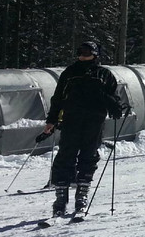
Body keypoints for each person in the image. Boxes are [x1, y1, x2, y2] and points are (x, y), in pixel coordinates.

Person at [41, 41, 123, 217]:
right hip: (71, 120)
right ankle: (61, 199)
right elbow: (58, 98)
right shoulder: (70, 73)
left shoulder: (104, 74)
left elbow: (114, 97)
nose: (83, 55)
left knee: (88, 156)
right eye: (80, 52)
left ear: (95, 54)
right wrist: (52, 120)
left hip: (94, 121)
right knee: (65, 156)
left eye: (87, 52)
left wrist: (114, 106)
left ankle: (82, 195)